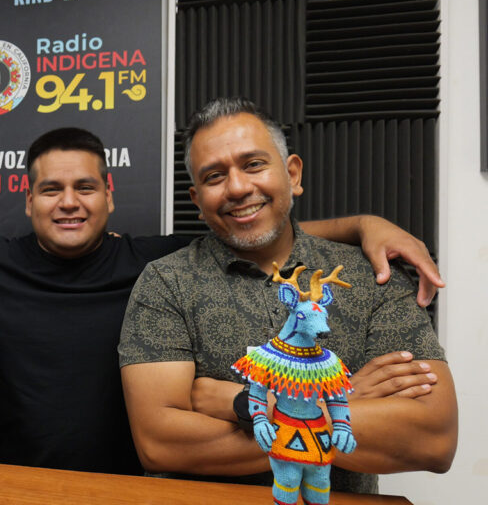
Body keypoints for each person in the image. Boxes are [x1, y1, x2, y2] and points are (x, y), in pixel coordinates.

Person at [0, 127, 444, 476]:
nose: (68, 202)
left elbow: (250, 228)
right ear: (26, 200)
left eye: (84, 187)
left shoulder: (156, 264)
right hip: (17, 487)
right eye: (51, 189)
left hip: (139, 484)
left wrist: (361, 226)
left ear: (109, 196)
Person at [118, 97, 458, 493]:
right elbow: (162, 445)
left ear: (292, 173)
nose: (239, 187)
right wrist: (343, 400)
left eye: (254, 164)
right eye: (214, 176)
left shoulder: (370, 276)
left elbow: (432, 439)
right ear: (197, 200)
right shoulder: (167, 283)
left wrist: (241, 404)